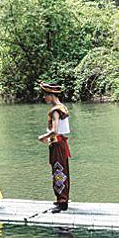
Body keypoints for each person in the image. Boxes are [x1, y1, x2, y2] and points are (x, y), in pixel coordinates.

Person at [38, 82, 71, 212]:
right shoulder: (62, 107)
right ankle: (61, 198)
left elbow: (55, 131)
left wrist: (43, 137)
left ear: (51, 95)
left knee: (58, 170)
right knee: (62, 170)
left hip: (57, 143)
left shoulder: (56, 111)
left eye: (45, 95)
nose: (44, 98)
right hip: (60, 143)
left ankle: (62, 201)